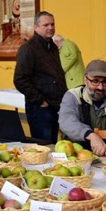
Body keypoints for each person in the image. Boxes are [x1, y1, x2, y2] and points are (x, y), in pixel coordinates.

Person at [14, 11, 67, 143]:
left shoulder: (52, 46)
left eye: (52, 24)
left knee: (54, 145)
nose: (50, 27)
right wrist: (40, 101)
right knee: (44, 148)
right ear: (36, 27)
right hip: (40, 109)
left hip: (56, 106)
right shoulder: (28, 48)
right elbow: (20, 80)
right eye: (46, 25)